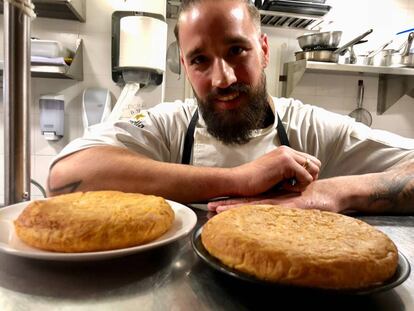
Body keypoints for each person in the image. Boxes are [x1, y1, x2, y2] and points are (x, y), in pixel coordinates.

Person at [48, 0, 414, 214]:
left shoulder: (312, 128)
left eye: (236, 50)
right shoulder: (168, 126)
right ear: (184, 65)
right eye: (200, 60)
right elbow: (64, 178)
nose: (221, 79)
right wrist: (240, 179)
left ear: (265, 50)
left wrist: (329, 192)